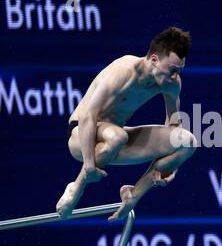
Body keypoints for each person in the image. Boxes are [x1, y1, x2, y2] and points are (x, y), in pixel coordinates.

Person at [56, 27, 197, 221]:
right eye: (172, 70)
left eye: (179, 71)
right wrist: (89, 165)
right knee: (117, 137)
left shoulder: (171, 84)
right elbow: (88, 116)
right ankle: (76, 188)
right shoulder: (123, 71)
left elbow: (173, 126)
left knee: (187, 142)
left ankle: (133, 195)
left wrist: (171, 166)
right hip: (81, 135)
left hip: (115, 140)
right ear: (154, 59)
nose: (175, 77)